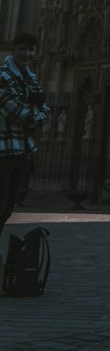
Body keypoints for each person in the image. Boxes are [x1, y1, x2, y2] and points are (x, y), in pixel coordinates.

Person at [0, 33, 50, 236]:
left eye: (31, 49)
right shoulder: (3, 77)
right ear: (13, 50)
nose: (27, 53)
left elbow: (46, 109)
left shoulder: (31, 78)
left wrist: (37, 112)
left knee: (7, 208)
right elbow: (15, 112)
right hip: (3, 152)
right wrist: (37, 113)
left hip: (21, 152)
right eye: (22, 49)